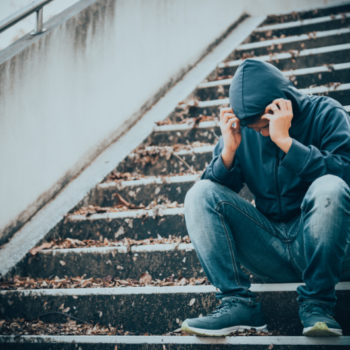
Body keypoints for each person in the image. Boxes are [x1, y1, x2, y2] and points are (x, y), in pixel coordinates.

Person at [181, 59, 350, 337]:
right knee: (199, 193)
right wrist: (228, 153)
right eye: (256, 129)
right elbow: (211, 203)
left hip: (323, 245)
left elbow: (344, 173)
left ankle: (318, 305)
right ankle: (237, 303)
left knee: (329, 187)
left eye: (264, 126)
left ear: (282, 105)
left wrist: (286, 143)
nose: (262, 134)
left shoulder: (326, 113)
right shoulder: (244, 131)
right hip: (271, 248)